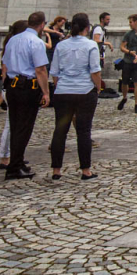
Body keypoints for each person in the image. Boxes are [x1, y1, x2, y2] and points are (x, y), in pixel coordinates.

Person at [47, 12, 102, 180]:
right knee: (84, 131)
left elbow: (54, 71)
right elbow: (95, 71)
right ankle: (85, 170)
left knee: (60, 130)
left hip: (63, 91)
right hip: (84, 91)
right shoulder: (91, 45)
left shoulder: (61, 46)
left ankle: (56, 170)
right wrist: (98, 88)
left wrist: (60, 86)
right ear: (87, 28)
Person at [2, 13, 51, 180]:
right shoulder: (36, 42)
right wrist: (46, 92)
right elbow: (40, 69)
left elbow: (6, 63)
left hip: (12, 85)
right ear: (42, 25)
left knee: (16, 126)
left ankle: (17, 161)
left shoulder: (13, 40)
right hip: (28, 86)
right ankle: (14, 166)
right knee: (24, 127)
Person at [0, 20, 27, 172]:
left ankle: (15, 155)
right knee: (10, 124)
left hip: (15, 87)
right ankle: (5, 156)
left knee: (18, 124)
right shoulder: (12, 46)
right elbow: (5, 70)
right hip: (13, 87)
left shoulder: (14, 45)